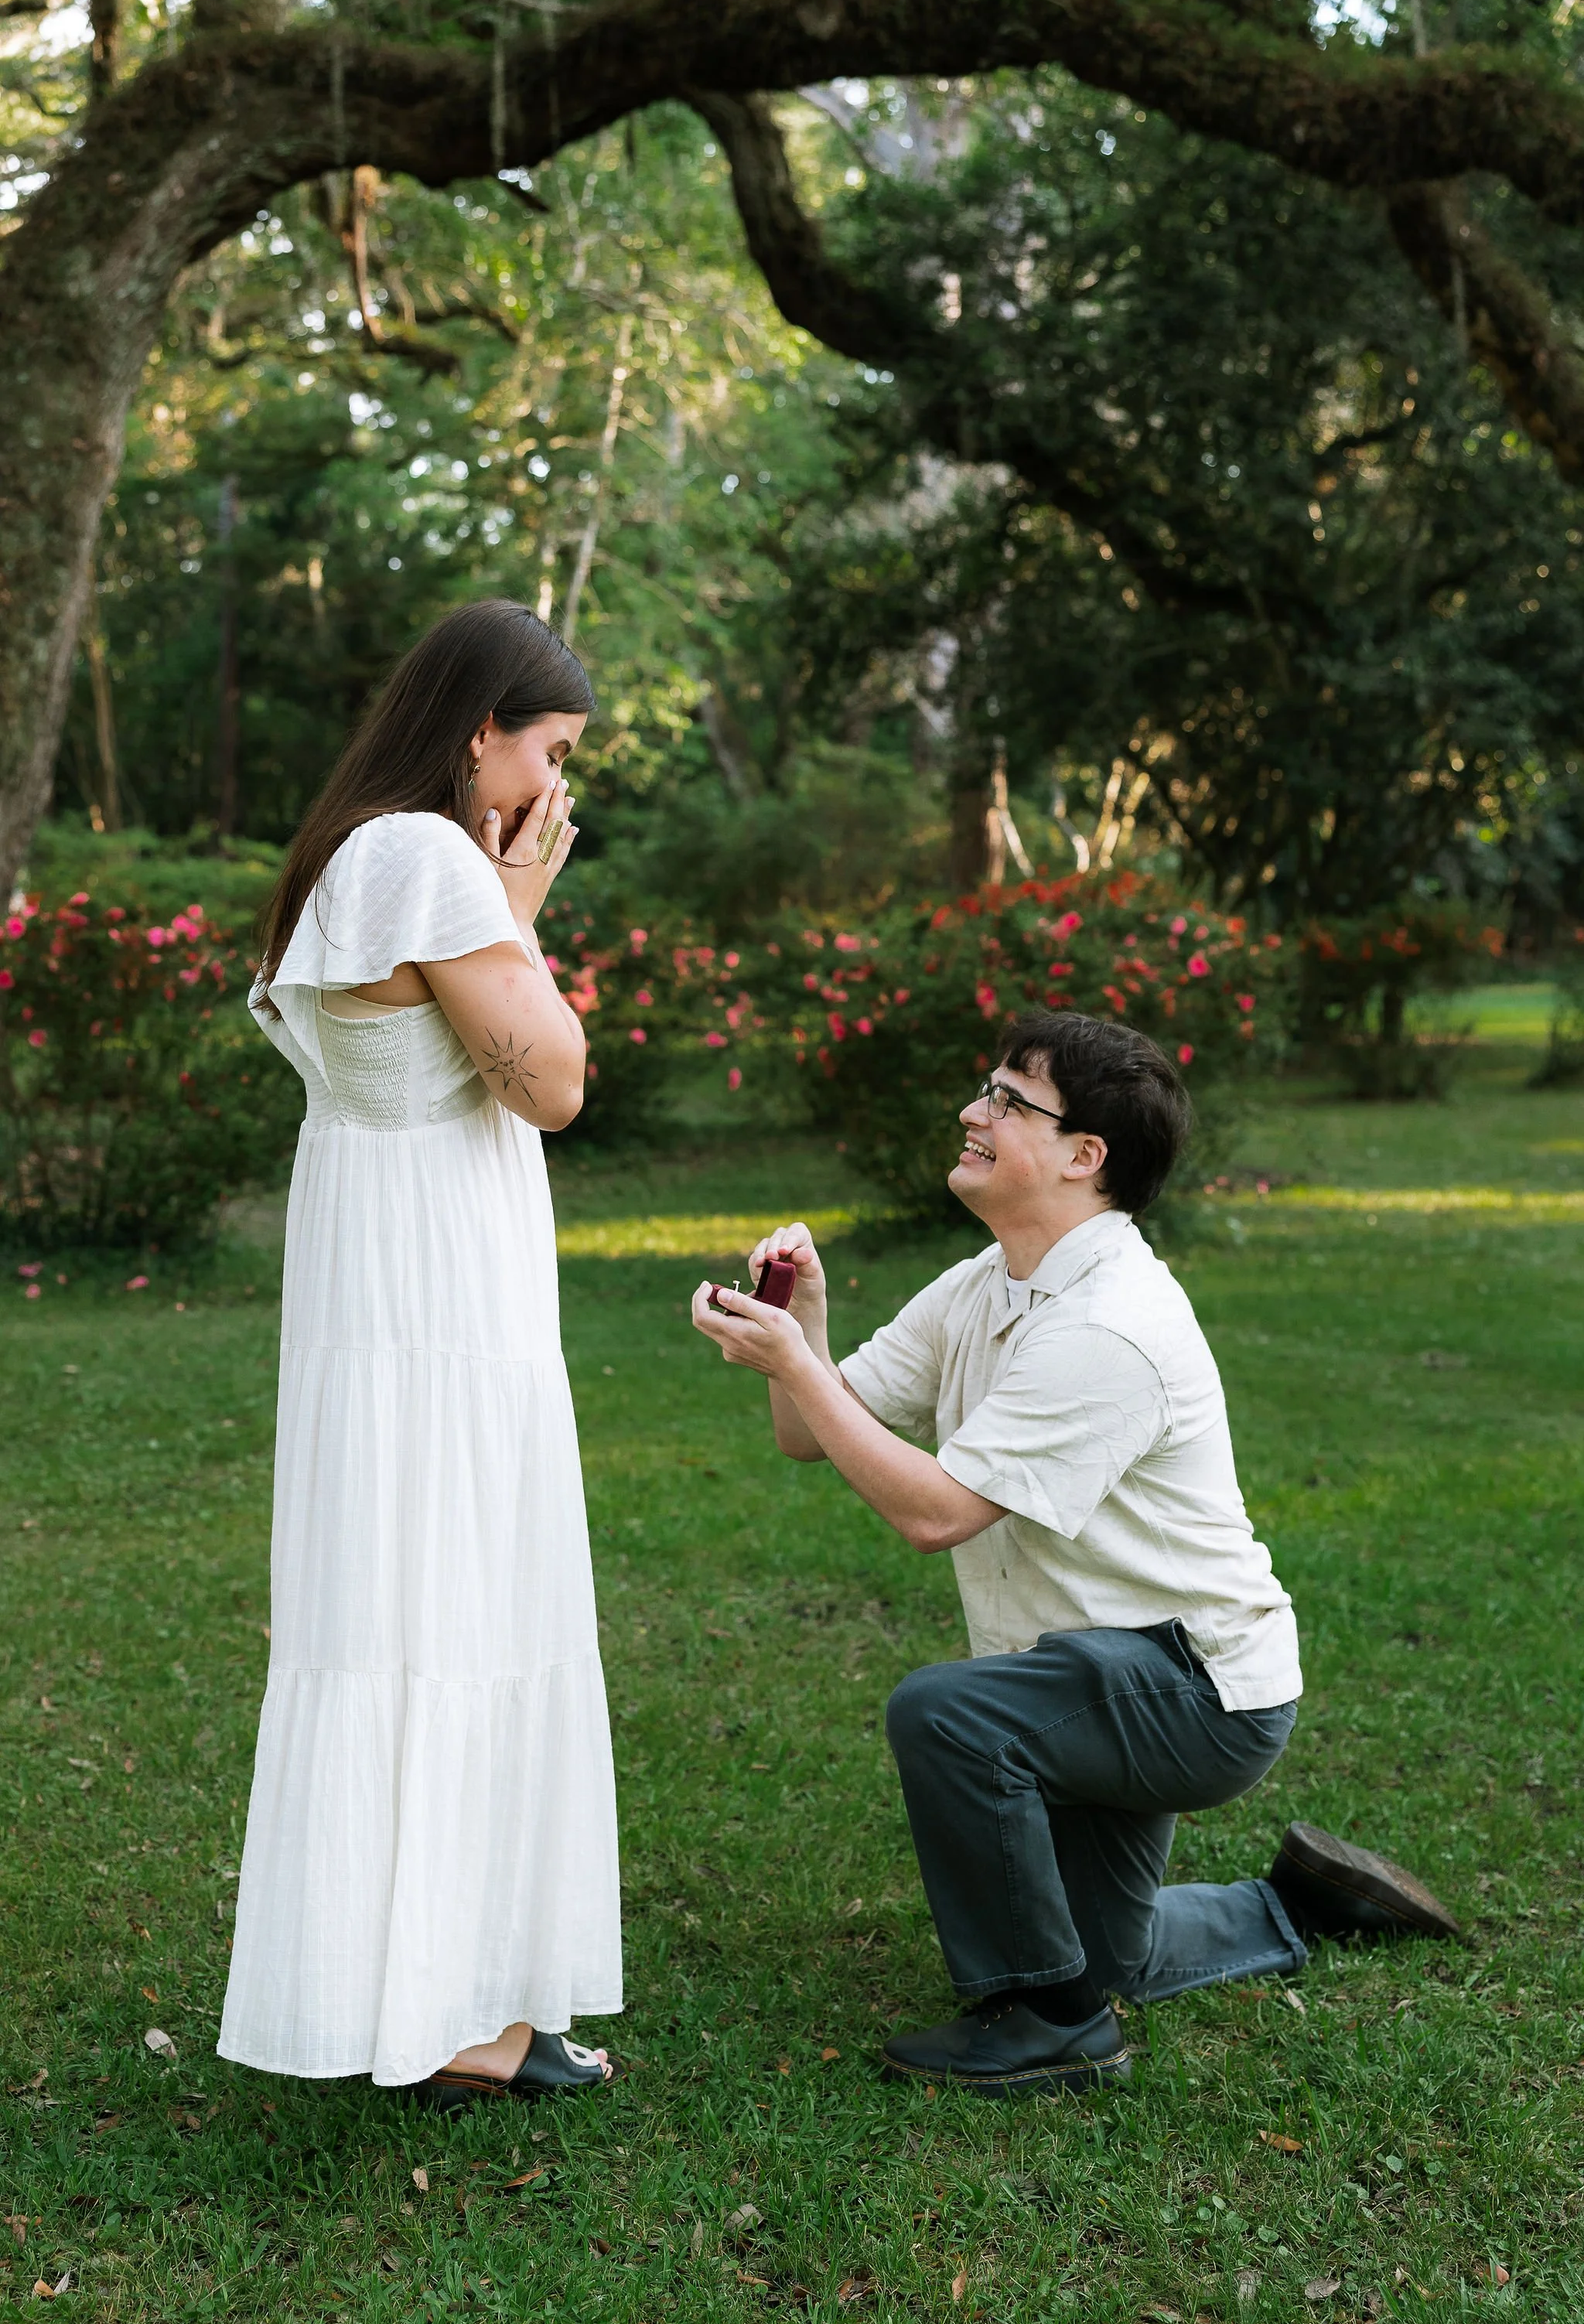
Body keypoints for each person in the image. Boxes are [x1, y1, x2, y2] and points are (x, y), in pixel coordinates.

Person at [691, 1009, 1456, 2098]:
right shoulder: (985, 1283)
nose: (974, 1111)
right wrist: (803, 1331)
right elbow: (810, 1434)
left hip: (1196, 1690)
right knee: (1110, 1959)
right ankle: (1304, 1902)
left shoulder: (1109, 1323)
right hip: (1090, 1672)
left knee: (945, 1714)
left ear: (1084, 1155)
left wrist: (795, 1363)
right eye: (987, 1087)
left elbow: (935, 1514)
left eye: (1010, 1100)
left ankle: (1052, 2027)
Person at [219, 601, 622, 2111]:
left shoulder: (356, 848)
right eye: (549, 753)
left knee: (402, 1597)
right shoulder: (433, 859)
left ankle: (423, 1982)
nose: (552, 792)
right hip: (436, 1284)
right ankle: (456, 2020)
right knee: (454, 1597)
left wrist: (503, 908)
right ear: (479, 730)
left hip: (379, 1256)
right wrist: (517, 909)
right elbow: (552, 1083)